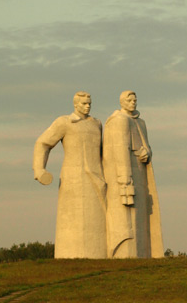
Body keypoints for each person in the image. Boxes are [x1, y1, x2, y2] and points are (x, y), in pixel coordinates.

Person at [33, 91, 107, 258]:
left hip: (97, 177)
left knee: (96, 221)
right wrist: (39, 169)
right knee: (73, 221)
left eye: (89, 103)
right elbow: (43, 143)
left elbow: (105, 151)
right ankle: (70, 256)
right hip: (73, 178)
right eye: (84, 104)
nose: (87, 106)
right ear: (75, 105)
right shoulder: (64, 122)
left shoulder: (97, 124)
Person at [102, 91, 163, 258]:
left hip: (140, 173)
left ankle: (141, 254)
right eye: (129, 100)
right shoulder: (118, 121)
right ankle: (125, 254)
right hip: (126, 176)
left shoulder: (140, 122)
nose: (133, 102)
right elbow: (119, 150)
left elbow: (147, 146)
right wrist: (124, 179)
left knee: (140, 217)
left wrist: (147, 152)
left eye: (135, 99)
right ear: (122, 102)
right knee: (127, 217)